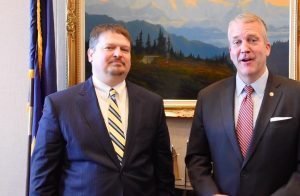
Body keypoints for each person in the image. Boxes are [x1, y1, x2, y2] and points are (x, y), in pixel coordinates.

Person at [30, 24, 175, 196]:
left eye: (125, 49)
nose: (118, 54)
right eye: (110, 47)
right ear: (90, 54)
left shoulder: (152, 104)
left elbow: (164, 174)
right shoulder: (60, 105)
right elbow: (43, 177)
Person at [185, 13, 300, 196]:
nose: (244, 48)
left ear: (267, 47)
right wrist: (211, 194)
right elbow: (197, 158)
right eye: (237, 42)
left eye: (252, 40)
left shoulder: (295, 94)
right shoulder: (208, 97)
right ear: (230, 51)